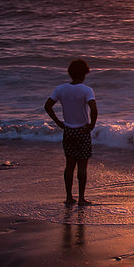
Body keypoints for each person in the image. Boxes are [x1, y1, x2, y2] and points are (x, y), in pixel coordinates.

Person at [44, 59, 98, 206]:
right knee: (82, 166)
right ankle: (81, 198)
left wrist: (58, 122)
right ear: (85, 74)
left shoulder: (61, 89)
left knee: (69, 165)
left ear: (70, 73)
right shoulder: (87, 90)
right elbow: (93, 109)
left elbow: (48, 106)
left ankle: (69, 197)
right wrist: (92, 125)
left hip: (68, 131)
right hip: (82, 131)